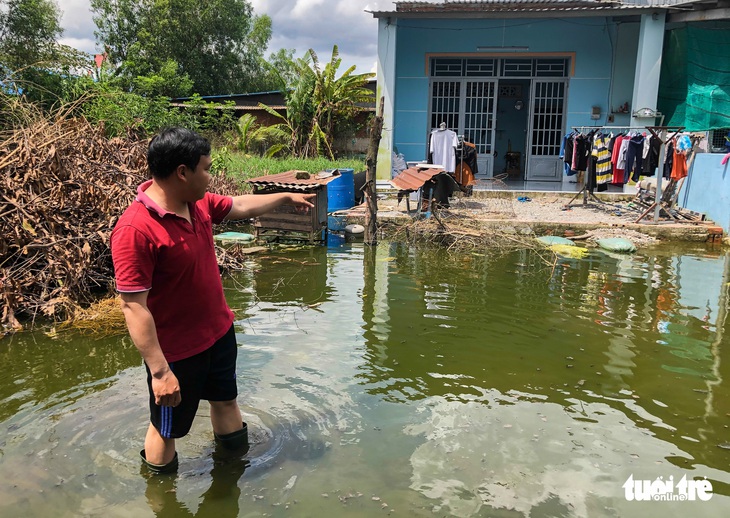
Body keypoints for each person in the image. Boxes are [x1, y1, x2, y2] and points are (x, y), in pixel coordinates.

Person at [111, 127, 315, 474]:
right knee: (167, 427)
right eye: (206, 168)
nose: (210, 175)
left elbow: (238, 205)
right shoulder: (136, 229)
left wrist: (283, 196)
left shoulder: (197, 202)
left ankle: (234, 473)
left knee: (225, 400)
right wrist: (160, 372)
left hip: (218, 333)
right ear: (182, 172)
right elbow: (133, 306)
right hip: (176, 352)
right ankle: (162, 498)